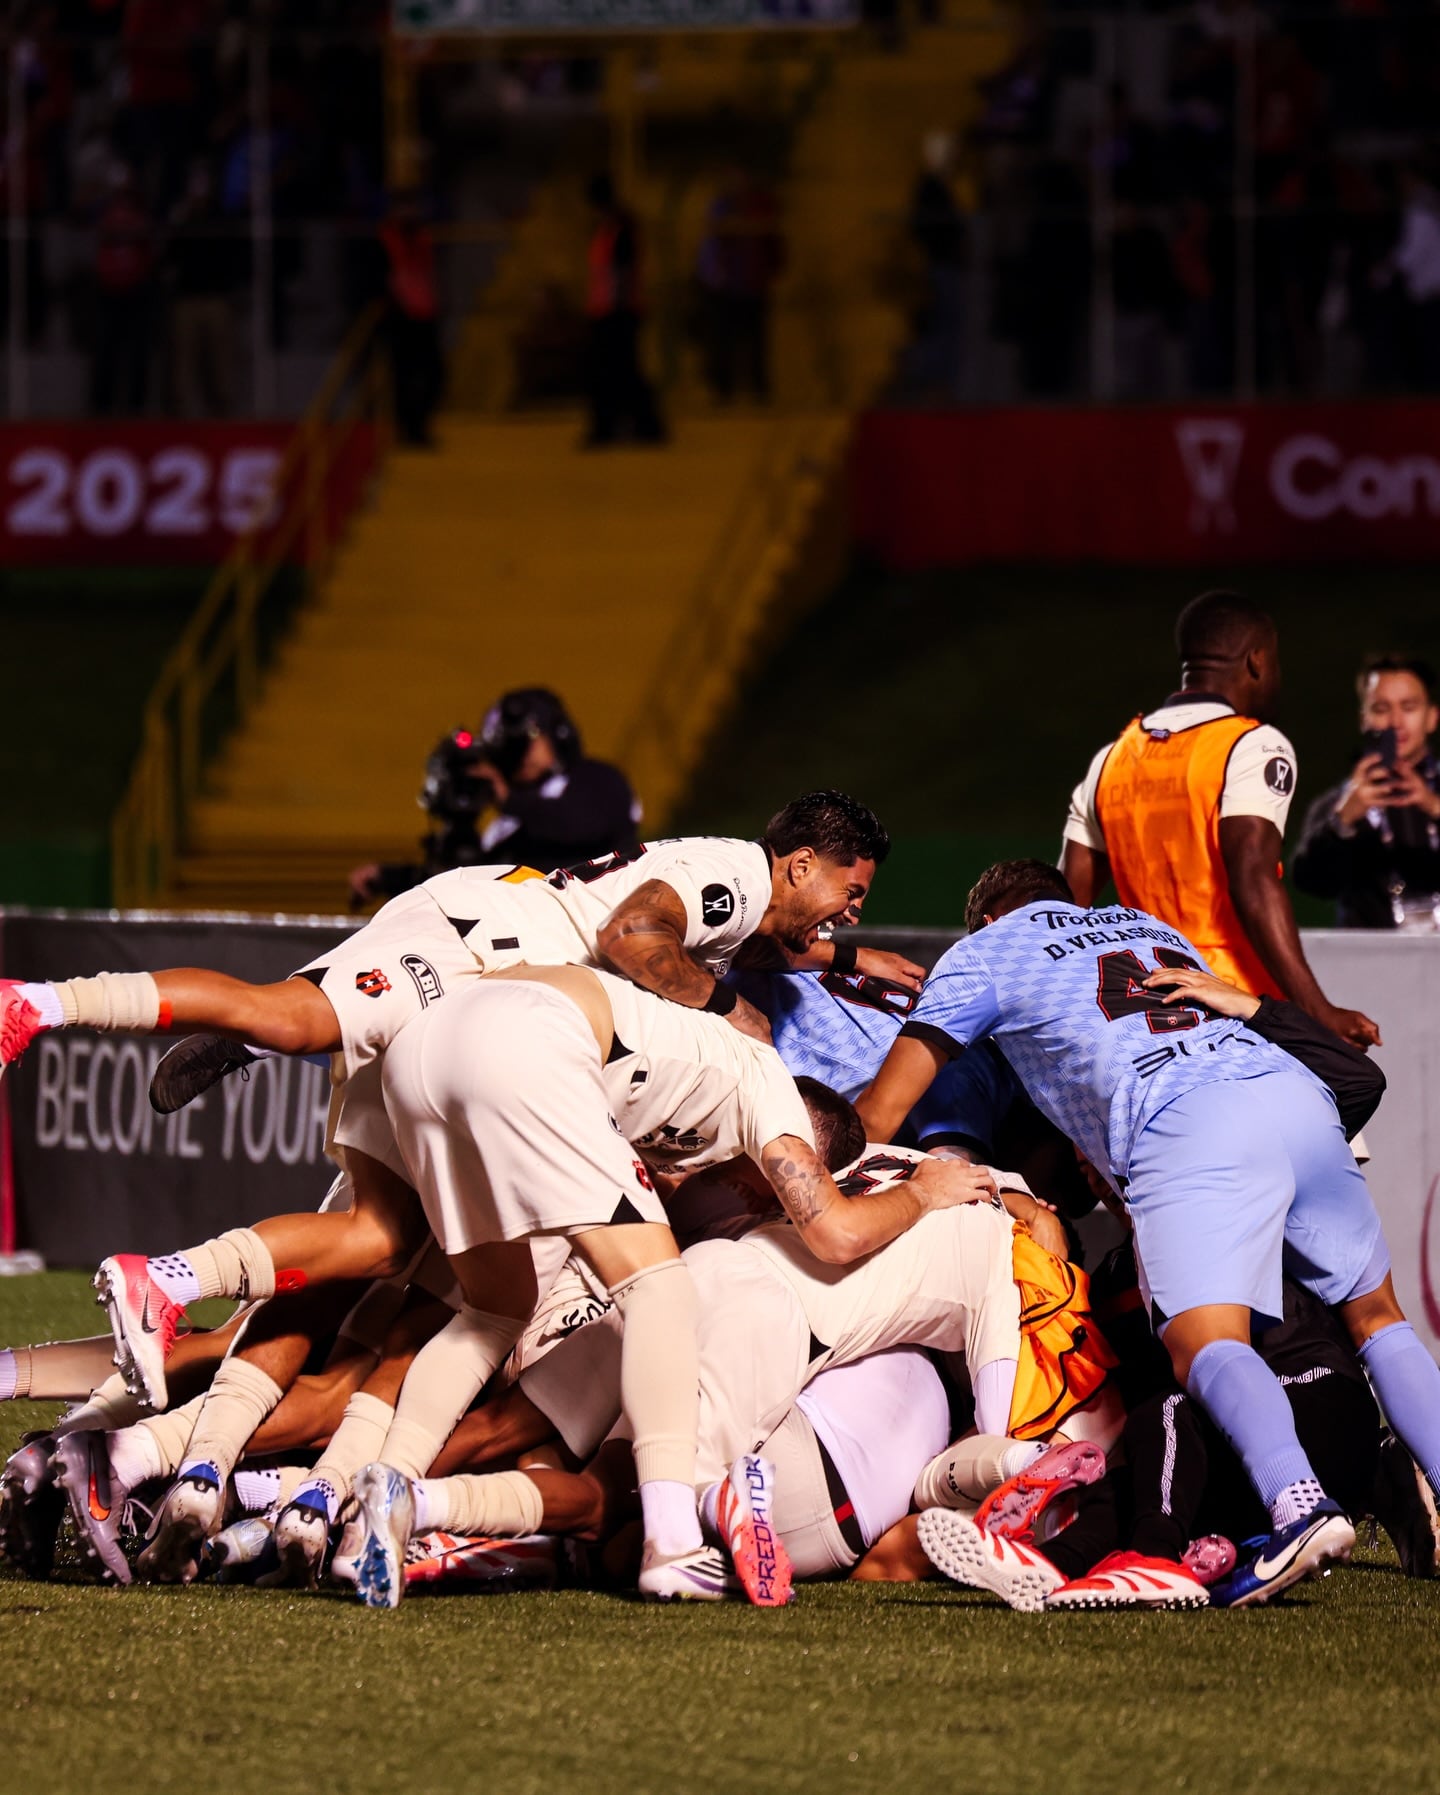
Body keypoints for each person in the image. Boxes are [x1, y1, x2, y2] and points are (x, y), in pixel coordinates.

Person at [856, 858, 1440, 1605]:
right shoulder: (1146, 923)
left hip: (1185, 1122)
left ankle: (1298, 1505)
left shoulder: (987, 950)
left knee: (1204, 1344)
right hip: (1292, 1092)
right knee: (1377, 1318)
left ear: (989, 919)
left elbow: (881, 1112)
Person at [1060, 590, 1379, 1047]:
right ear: (1256, 661)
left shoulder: (1111, 760)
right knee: (1337, 1113)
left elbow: (1068, 905)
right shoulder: (1252, 746)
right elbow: (1252, 878)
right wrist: (1317, 1010)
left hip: (1141, 1010)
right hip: (1237, 1009)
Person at [349, 688, 641, 904]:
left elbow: (586, 824)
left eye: (528, 741)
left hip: (588, 927)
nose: (520, 756)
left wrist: (510, 800)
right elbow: (469, 879)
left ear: (558, 733)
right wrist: (389, 877)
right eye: (509, 748)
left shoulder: (598, 779)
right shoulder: (511, 819)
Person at [1292, 654, 1440, 929]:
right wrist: (1342, 822)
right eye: (1381, 708)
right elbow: (1310, 883)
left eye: (1408, 707)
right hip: (1370, 962)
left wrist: (1434, 807)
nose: (1395, 721)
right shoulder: (1339, 802)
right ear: (1364, 718)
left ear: (1432, 717)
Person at [582, 173, 665, 448]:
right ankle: (625, 426)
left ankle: (631, 426)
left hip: (617, 311)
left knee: (620, 372)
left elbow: (622, 274)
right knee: (618, 372)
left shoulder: (619, 230)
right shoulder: (610, 228)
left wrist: (615, 310)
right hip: (610, 309)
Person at [379, 192, 444, 447]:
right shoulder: (384, 239)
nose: (409, 213)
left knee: (434, 375)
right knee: (402, 377)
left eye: (413, 207)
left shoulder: (423, 238)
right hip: (400, 316)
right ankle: (408, 429)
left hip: (425, 314)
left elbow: (428, 273)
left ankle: (421, 426)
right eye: (403, 208)